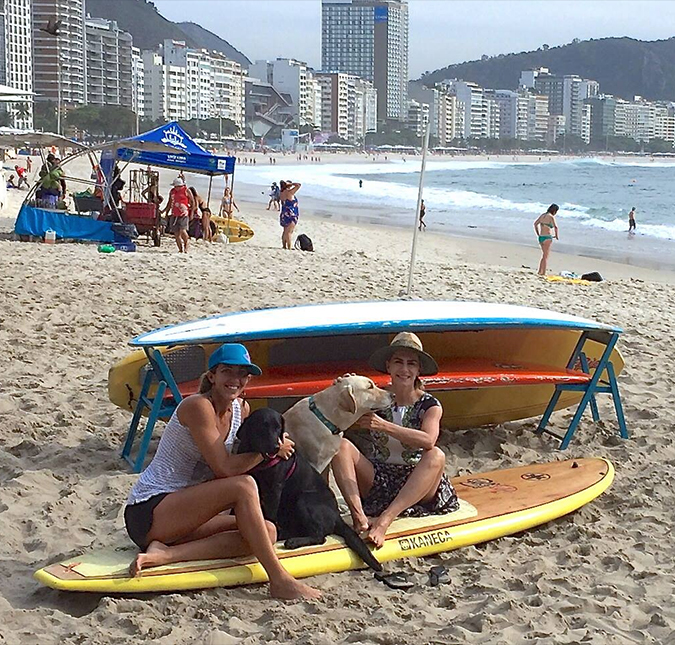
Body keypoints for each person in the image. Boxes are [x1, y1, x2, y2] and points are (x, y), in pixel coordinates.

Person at [123, 343, 320, 600]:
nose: (235, 380)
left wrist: (273, 444)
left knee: (267, 531)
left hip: (189, 513)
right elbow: (225, 468)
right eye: (228, 372)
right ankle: (280, 579)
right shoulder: (198, 406)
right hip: (150, 510)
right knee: (243, 485)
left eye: (243, 374)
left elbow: (240, 461)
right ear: (212, 376)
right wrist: (271, 450)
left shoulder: (242, 409)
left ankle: (164, 553)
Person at [331, 333, 459, 548]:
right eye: (399, 362)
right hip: (380, 477)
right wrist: (342, 387)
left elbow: (428, 440)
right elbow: (338, 413)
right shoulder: (375, 398)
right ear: (388, 366)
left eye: (411, 364)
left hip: (417, 482)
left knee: (436, 455)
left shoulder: (430, 405)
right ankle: (359, 518)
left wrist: (384, 425)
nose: (404, 369)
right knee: (341, 446)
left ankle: (384, 521)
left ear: (418, 371)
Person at [163, 177, 195, 253]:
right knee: (176, 233)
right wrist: (166, 212)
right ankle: (180, 249)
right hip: (174, 213)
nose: (175, 188)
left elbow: (192, 202)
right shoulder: (172, 191)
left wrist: (192, 212)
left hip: (183, 214)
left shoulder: (186, 190)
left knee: (183, 230)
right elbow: (170, 202)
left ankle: (186, 246)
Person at [533, 203, 559, 276]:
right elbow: (556, 227)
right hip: (547, 237)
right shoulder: (551, 217)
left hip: (541, 237)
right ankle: (543, 272)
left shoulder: (543, 215)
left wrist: (538, 233)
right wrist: (556, 236)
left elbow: (535, 224)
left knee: (544, 255)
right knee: (545, 256)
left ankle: (539, 271)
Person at [279, 180, 301, 250]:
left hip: (284, 213)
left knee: (285, 231)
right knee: (289, 232)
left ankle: (284, 245)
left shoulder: (281, 193)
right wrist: (291, 184)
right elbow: (298, 185)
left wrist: (288, 185)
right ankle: (289, 247)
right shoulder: (290, 192)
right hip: (291, 214)